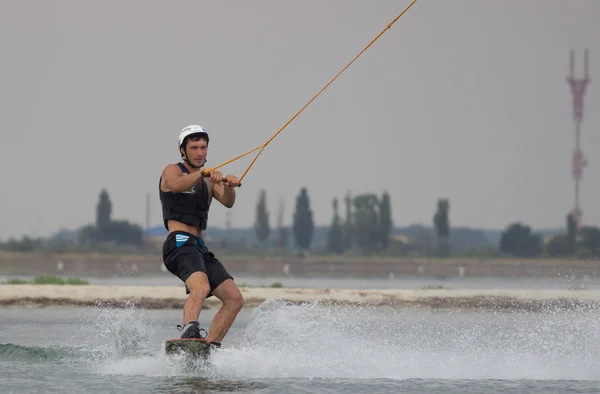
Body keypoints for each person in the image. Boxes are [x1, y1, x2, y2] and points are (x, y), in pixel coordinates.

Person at [159, 124, 244, 348]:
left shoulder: (208, 179)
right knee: (201, 285)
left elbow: (228, 202)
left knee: (234, 299)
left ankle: (208, 348)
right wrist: (202, 174)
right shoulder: (172, 170)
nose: (199, 152)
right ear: (182, 150)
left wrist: (230, 185)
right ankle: (189, 334)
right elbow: (176, 185)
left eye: (203, 147)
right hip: (178, 242)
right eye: (194, 147)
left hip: (199, 247)